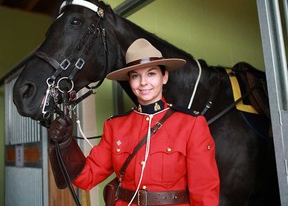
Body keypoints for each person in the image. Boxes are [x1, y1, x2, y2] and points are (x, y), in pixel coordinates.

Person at [48, 38, 220, 205]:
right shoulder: (114, 126)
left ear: (164, 76)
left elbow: (204, 192)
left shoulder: (191, 124)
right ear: (130, 81)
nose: (143, 82)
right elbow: (87, 177)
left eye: (151, 73)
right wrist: (65, 143)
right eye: (135, 76)